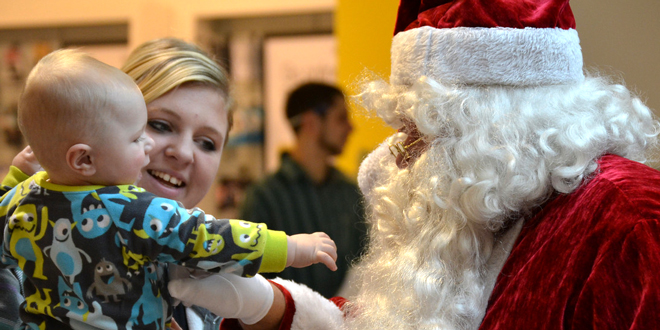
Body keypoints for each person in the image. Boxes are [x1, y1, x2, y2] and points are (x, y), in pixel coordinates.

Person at [216, 0, 660, 329]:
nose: (396, 157)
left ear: (496, 128)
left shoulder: (629, 221)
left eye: (418, 131)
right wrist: (264, 305)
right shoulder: (488, 217)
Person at [0, 49, 338, 329]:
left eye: (207, 142)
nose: (184, 153)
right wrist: (289, 248)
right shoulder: (14, 276)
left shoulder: (216, 295)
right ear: (84, 149)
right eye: (157, 126)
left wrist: (270, 308)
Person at [239, 82, 366, 298]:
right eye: (341, 118)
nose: (351, 127)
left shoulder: (350, 193)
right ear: (311, 122)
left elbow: (365, 264)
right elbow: (251, 278)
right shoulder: (265, 197)